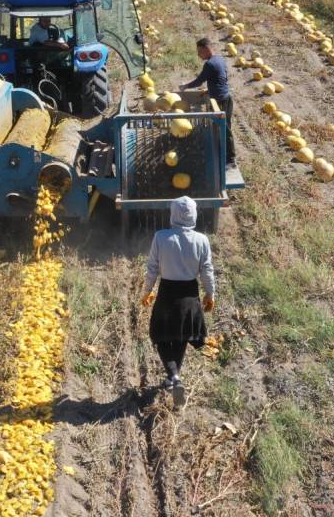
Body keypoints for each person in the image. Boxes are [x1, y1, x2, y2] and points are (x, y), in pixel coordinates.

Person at [141, 196, 215, 406]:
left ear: (172, 215)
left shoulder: (161, 237)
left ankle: (173, 377)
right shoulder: (201, 240)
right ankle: (173, 378)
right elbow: (207, 271)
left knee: (162, 336)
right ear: (194, 215)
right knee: (182, 335)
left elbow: (152, 269)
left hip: (167, 294)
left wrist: (146, 291)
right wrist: (210, 294)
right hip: (190, 295)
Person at [180, 38, 235, 168]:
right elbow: (221, 78)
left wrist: (185, 87)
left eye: (200, 51)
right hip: (226, 99)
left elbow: (199, 81)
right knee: (223, 128)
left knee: (225, 129)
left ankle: (231, 160)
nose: (198, 55)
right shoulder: (219, 59)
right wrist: (209, 90)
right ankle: (223, 153)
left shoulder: (209, 64)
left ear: (206, 49)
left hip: (220, 101)